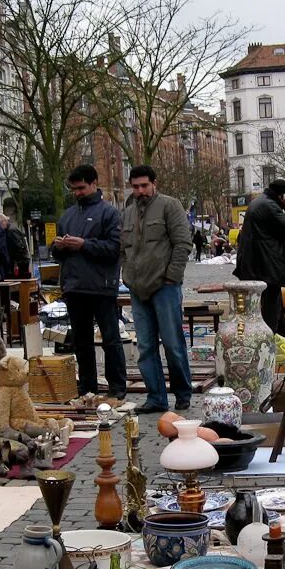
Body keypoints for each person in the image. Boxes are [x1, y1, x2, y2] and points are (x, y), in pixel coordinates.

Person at [120, 164, 193, 413]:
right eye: (135, 186)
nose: (140, 190)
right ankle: (156, 398)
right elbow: (124, 249)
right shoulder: (128, 212)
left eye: (144, 185)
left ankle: (183, 394)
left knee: (173, 343)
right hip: (138, 288)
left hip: (165, 286)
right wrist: (127, 275)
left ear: (154, 183)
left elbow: (183, 243)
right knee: (145, 346)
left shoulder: (170, 206)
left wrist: (172, 277)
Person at [53, 164, 126, 399]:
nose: (77, 193)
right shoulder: (67, 215)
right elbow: (55, 254)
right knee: (82, 343)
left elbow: (114, 249)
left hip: (101, 286)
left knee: (110, 339)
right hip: (74, 287)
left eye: (81, 188)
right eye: (73, 189)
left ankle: (117, 387)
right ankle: (87, 388)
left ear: (94, 184)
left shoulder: (109, 213)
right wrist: (58, 247)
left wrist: (84, 244)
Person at [234, 178, 285, 338]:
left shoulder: (261, 202)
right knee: (272, 311)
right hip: (266, 268)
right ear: (282, 196)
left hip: (259, 266)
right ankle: (268, 347)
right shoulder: (269, 206)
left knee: (277, 310)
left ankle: (284, 343)